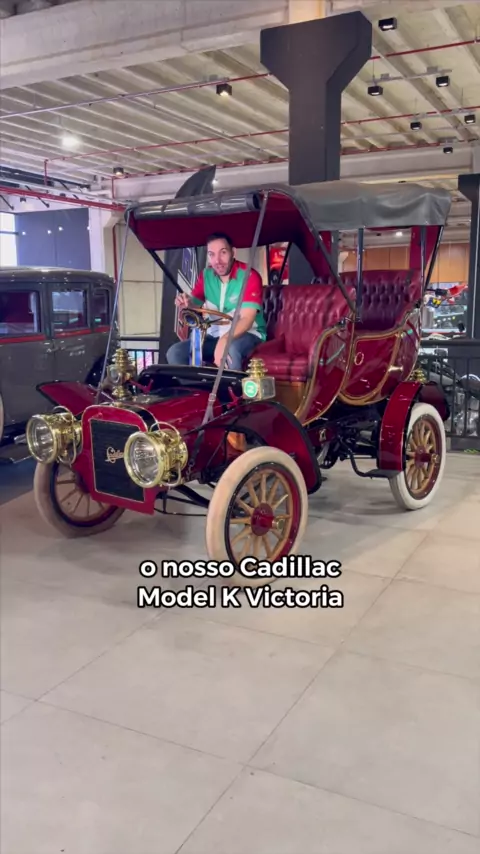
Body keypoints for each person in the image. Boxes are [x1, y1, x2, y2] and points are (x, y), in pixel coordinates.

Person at [166, 232, 267, 371]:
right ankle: (196, 385)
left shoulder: (249, 275)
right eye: (211, 254)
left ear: (233, 252)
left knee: (230, 351)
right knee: (175, 353)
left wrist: (225, 340)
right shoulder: (206, 275)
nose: (217, 261)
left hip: (248, 334)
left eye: (223, 253)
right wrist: (187, 303)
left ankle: (230, 386)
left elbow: (247, 319)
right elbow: (195, 304)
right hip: (213, 335)